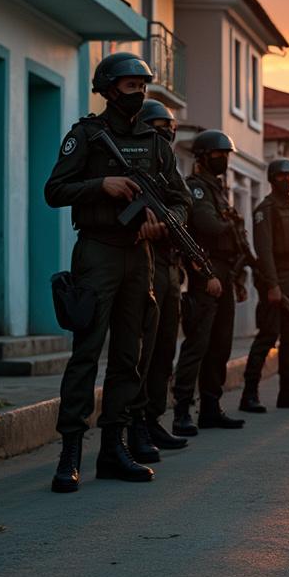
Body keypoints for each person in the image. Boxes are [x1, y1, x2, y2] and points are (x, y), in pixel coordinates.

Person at [46, 52, 192, 492]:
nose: (139, 94)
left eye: (143, 87)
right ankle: (70, 453)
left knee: (131, 356)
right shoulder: (86, 136)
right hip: (97, 253)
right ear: (109, 90)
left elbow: (182, 202)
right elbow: (54, 190)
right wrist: (100, 185)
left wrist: (165, 223)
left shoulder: (155, 144)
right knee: (86, 353)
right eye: (131, 86)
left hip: (139, 256)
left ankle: (114, 448)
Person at [171, 130, 247, 432]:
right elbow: (208, 226)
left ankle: (211, 407)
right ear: (203, 158)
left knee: (220, 346)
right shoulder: (197, 189)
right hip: (207, 271)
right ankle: (181, 411)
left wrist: (237, 278)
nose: (224, 160)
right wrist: (208, 275)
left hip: (225, 272)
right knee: (197, 345)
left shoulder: (218, 190)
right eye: (219, 155)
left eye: (226, 155)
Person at [131, 99, 191, 456]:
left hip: (169, 264)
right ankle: (133, 422)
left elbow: (184, 203)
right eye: (156, 127)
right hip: (142, 262)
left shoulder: (170, 167)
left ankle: (153, 419)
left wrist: (171, 219)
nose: (164, 133)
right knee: (143, 351)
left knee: (166, 347)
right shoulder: (131, 161)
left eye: (167, 128)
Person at [242, 158, 289, 411]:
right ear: (272, 179)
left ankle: (288, 392)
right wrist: (273, 284)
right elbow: (264, 250)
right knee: (268, 335)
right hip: (277, 277)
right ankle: (249, 394)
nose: (287, 179)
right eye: (282, 176)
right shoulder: (266, 208)